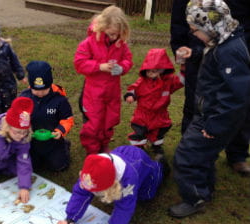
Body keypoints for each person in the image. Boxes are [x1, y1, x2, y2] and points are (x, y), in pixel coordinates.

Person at [169, 0, 250, 218]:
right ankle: (206, 188)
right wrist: (193, 54)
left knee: (185, 156)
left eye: (196, 30)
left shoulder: (230, 52)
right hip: (209, 113)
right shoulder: (223, 42)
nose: (193, 35)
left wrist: (214, 125)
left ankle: (195, 198)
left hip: (214, 119)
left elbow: (235, 97)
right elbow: (212, 62)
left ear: (211, 27)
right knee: (202, 155)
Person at [74, 5, 133, 155]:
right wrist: (99, 67)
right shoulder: (89, 43)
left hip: (112, 91)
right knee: (93, 122)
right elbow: (79, 63)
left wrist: (122, 68)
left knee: (109, 119)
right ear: (103, 27)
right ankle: (92, 149)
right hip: (93, 92)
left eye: (117, 34)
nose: (114, 37)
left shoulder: (121, 44)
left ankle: (104, 143)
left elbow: (128, 59)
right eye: (112, 33)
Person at [57, 145, 166, 224]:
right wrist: (70, 219)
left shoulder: (129, 180)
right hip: (121, 156)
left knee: (146, 195)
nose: (95, 193)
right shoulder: (90, 172)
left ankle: (161, 166)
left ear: (113, 183)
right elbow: (81, 193)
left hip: (140, 164)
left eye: (99, 190)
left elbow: (124, 208)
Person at [124, 48, 184, 157]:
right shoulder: (142, 81)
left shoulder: (168, 81)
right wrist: (130, 95)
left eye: (154, 70)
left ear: (162, 70)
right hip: (143, 114)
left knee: (159, 131)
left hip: (160, 114)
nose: (151, 73)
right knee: (139, 131)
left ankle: (156, 146)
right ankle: (138, 148)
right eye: (148, 70)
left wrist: (184, 68)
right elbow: (134, 88)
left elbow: (180, 81)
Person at [20, 61, 74, 172]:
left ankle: (64, 146)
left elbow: (67, 119)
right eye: (36, 90)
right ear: (30, 86)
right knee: (32, 166)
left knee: (59, 166)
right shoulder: (24, 98)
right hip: (32, 140)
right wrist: (23, 125)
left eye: (44, 90)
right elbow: (15, 116)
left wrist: (60, 131)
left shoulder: (59, 100)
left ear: (50, 84)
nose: (40, 93)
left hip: (53, 141)